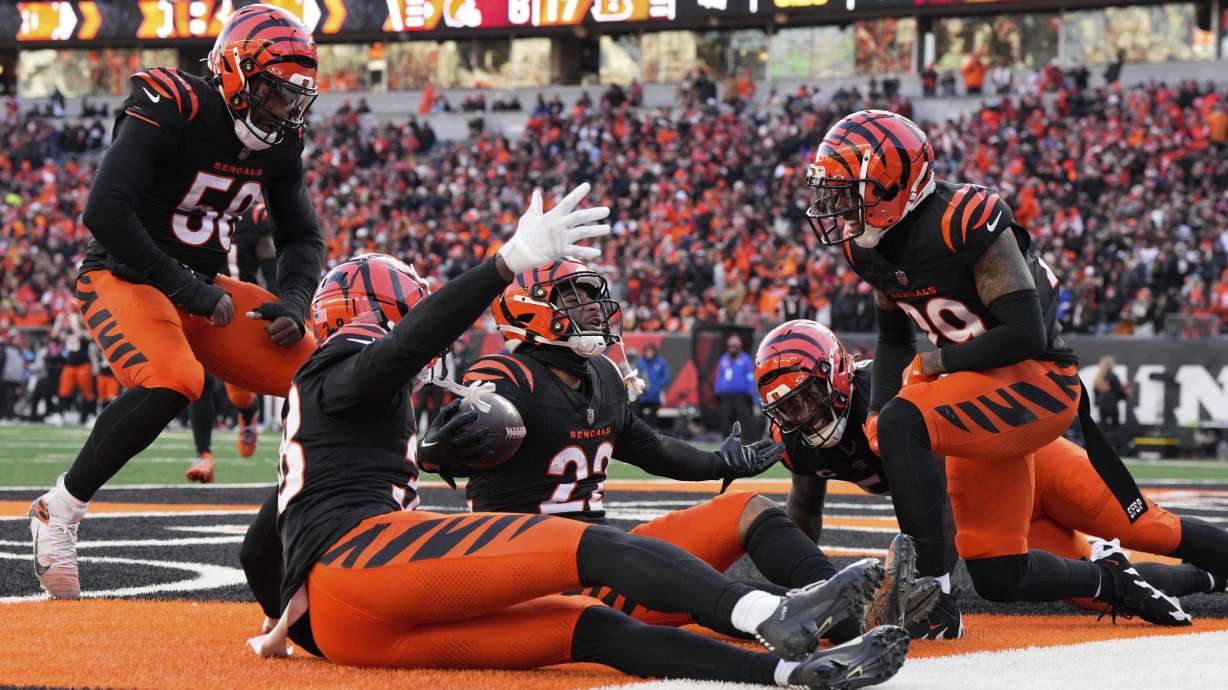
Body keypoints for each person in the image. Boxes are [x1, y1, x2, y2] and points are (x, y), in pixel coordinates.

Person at [239, 186, 911, 689]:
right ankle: (767, 612)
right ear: (381, 317)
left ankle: (788, 673)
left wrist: (286, 620)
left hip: (358, 621)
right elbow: (407, 350)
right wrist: (502, 265)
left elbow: (261, 541)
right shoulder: (355, 367)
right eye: (410, 313)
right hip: (371, 567)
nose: (423, 331)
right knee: (591, 546)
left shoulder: (338, 406)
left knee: (594, 631)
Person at [802, 109, 1192, 631]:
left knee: (905, 420)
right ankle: (1115, 582)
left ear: (893, 185)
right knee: (999, 573)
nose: (839, 210)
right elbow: (894, 336)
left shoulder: (962, 220)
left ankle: (933, 596)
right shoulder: (867, 248)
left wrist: (932, 364)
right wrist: (876, 407)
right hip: (978, 392)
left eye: (849, 194)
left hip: (1039, 380)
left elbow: (1024, 333)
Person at [421, 259, 933, 643]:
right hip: (534, 579)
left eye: (592, 297)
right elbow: (460, 425)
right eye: (574, 299)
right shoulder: (507, 375)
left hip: (605, 563)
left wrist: (720, 463)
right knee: (695, 589)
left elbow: (656, 450)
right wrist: (436, 448)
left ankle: (846, 605)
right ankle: (807, 618)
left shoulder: (602, 378)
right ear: (531, 311)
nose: (593, 308)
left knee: (748, 509)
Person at [28, 5, 325, 600]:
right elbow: (104, 209)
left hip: (202, 290)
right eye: (274, 91)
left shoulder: (281, 142)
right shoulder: (174, 104)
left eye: (294, 97)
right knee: (175, 379)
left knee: (325, 375)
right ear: (235, 73)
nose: (283, 109)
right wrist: (188, 288)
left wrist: (294, 300)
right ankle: (58, 508)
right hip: (125, 275)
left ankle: (308, 526)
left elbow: (300, 234)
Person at [755, 320, 1228, 639]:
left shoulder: (884, 393)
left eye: (807, 397)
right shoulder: (796, 442)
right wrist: (811, 581)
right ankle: (1209, 577)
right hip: (990, 504)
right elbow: (805, 508)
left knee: (1149, 529)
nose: (803, 415)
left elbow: (938, 500)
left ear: (836, 375)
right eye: (788, 407)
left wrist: (931, 587)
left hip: (1028, 462)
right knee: (1090, 589)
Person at [715, 334, 755, 435]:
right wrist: (717, 390)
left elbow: (750, 376)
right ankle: (726, 437)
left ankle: (740, 438)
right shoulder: (723, 359)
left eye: (734, 345)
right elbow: (719, 375)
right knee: (725, 416)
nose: (732, 347)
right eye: (731, 345)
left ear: (739, 346)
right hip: (725, 394)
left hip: (740, 395)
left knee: (740, 417)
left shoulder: (745, 359)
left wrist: (749, 390)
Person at [634, 343, 670, 428]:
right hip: (642, 395)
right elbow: (635, 375)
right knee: (639, 416)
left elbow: (666, 376)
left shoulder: (661, 362)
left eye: (650, 352)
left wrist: (658, 386)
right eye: (647, 351)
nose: (649, 353)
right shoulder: (640, 362)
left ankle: (653, 431)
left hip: (655, 396)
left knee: (653, 417)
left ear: (654, 352)